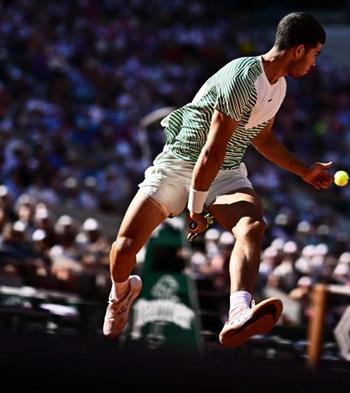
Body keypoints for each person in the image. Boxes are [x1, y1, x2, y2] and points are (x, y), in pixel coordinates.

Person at [103, 12, 332, 348]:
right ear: (298, 49)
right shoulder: (244, 79)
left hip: (225, 172)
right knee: (124, 250)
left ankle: (239, 311)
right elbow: (210, 152)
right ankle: (121, 293)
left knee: (252, 226)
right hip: (181, 164)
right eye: (315, 54)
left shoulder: (278, 87)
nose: (314, 64)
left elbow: (262, 138)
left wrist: (304, 171)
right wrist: (196, 210)